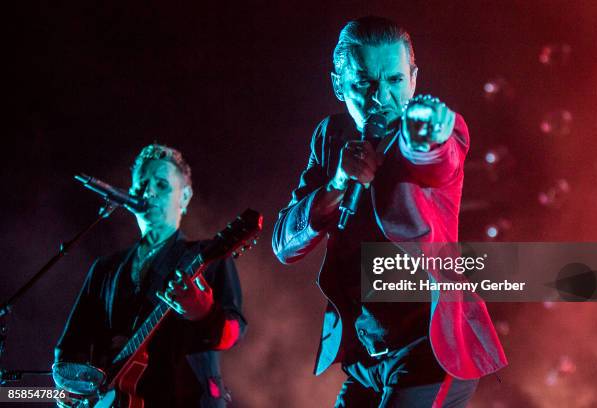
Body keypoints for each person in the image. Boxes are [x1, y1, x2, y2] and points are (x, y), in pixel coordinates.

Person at [272, 16, 507, 407]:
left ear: (413, 79)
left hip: (432, 349)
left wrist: (426, 140)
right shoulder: (332, 139)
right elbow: (284, 245)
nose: (380, 97)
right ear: (338, 85)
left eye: (395, 81)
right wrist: (335, 185)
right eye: (364, 83)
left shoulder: (434, 131)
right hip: (367, 359)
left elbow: (438, 159)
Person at [54, 144, 246, 407]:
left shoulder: (209, 256)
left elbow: (234, 333)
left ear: (186, 196)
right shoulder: (105, 269)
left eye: (162, 184)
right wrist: (69, 387)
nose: (150, 191)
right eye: (141, 184)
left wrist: (204, 312)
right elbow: (71, 345)